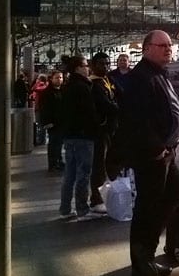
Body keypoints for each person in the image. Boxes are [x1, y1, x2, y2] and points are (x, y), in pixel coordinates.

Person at [120, 30, 179, 276]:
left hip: (164, 151)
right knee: (147, 207)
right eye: (162, 45)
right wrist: (156, 148)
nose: (168, 49)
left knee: (173, 192)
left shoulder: (158, 74)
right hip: (152, 156)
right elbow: (137, 119)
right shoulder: (141, 77)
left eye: (170, 45)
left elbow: (162, 111)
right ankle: (142, 261)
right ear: (147, 48)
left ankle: (146, 253)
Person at [58, 55, 104, 221]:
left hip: (70, 135)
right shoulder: (82, 87)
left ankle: (64, 209)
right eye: (85, 65)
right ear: (78, 68)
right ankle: (82, 209)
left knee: (69, 173)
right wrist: (97, 128)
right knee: (83, 173)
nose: (88, 68)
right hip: (83, 136)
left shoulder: (68, 86)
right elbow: (89, 114)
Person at [88, 52, 120, 213]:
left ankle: (111, 195)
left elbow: (119, 96)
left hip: (111, 129)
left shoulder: (108, 80)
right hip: (100, 130)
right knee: (99, 165)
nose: (106, 66)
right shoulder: (94, 84)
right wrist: (121, 109)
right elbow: (104, 104)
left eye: (108, 63)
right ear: (93, 65)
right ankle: (96, 199)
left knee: (112, 163)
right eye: (102, 64)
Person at [39, 70, 65, 171]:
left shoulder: (62, 91)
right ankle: (53, 163)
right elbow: (44, 108)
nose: (59, 80)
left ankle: (59, 160)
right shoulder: (47, 93)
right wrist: (47, 122)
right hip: (53, 123)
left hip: (61, 122)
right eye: (57, 78)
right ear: (51, 79)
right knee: (54, 143)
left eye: (61, 77)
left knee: (59, 143)